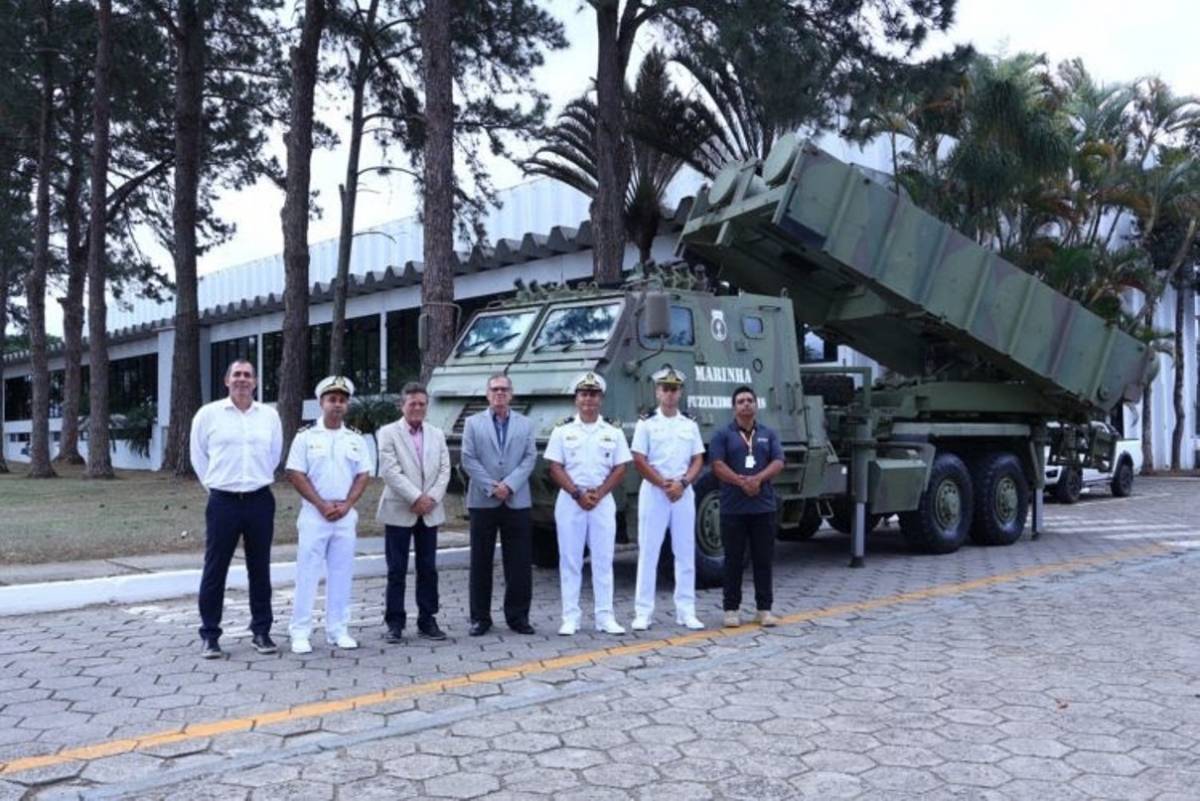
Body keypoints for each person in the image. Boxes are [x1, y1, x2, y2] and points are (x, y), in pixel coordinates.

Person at [190, 359, 283, 659]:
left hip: (259, 500)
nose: (242, 379)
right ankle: (210, 635)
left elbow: (274, 455)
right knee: (215, 569)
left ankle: (261, 631)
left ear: (255, 382)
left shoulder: (269, 416)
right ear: (226, 380)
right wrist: (218, 487)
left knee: (260, 568)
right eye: (237, 375)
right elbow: (198, 457)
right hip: (223, 502)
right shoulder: (208, 415)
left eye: (248, 375)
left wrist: (252, 482)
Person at [284, 376, 373, 654]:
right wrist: (321, 505)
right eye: (332, 399)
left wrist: (347, 504)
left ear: (347, 405)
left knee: (341, 574)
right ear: (321, 403)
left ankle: (338, 630)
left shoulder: (355, 438)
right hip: (315, 514)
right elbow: (295, 473)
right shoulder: (306, 436)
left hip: (344, 515)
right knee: (307, 574)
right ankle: (300, 632)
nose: (337, 404)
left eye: (342, 400)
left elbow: (363, 475)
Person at [544, 372, 632, 636]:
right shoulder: (563, 430)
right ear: (576, 399)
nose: (588, 400)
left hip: (601, 501)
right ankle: (570, 617)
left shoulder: (613, 431)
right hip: (571, 500)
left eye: (593, 395)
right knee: (570, 560)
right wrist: (577, 494)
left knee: (603, 560)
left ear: (600, 399)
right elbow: (554, 467)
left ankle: (605, 617)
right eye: (583, 394)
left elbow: (620, 467)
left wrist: (600, 493)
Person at [460, 372, 538, 636]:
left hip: (517, 500)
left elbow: (529, 458)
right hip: (483, 500)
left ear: (511, 394)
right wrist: (492, 487)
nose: (500, 393)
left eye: (504, 389)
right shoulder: (472, 423)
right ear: (487, 394)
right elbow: (468, 458)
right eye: (495, 389)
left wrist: (510, 485)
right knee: (480, 562)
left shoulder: (525, 424)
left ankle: (518, 617)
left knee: (519, 563)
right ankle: (480, 618)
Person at [630, 365, 706, 631]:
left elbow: (698, 458)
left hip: (682, 491)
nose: (670, 394)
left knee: (685, 553)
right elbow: (639, 459)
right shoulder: (646, 423)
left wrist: (683, 483)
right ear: (657, 392)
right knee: (648, 553)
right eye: (665, 389)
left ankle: (686, 611)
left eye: (674, 389)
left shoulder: (689, 424)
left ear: (680, 392)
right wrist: (663, 483)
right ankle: (643, 612)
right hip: (655, 492)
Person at [376, 382, 451, 643]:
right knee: (396, 569)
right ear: (402, 405)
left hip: (430, 510)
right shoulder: (387, 433)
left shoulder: (437, 434)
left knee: (428, 568)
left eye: (422, 403)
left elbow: (445, 470)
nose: (417, 408)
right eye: (412, 403)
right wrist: (416, 497)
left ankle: (427, 620)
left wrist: (431, 498)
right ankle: (395, 623)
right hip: (400, 508)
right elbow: (390, 471)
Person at [710, 385, 785, 628]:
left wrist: (758, 479)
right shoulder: (723, 435)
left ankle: (764, 610)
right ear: (734, 407)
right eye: (741, 401)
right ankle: (731, 610)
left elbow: (778, 461)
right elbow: (717, 464)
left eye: (749, 400)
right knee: (733, 560)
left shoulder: (768, 434)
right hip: (733, 509)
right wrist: (741, 482)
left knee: (763, 560)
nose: (746, 404)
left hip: (763, 508)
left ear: (756, 405)